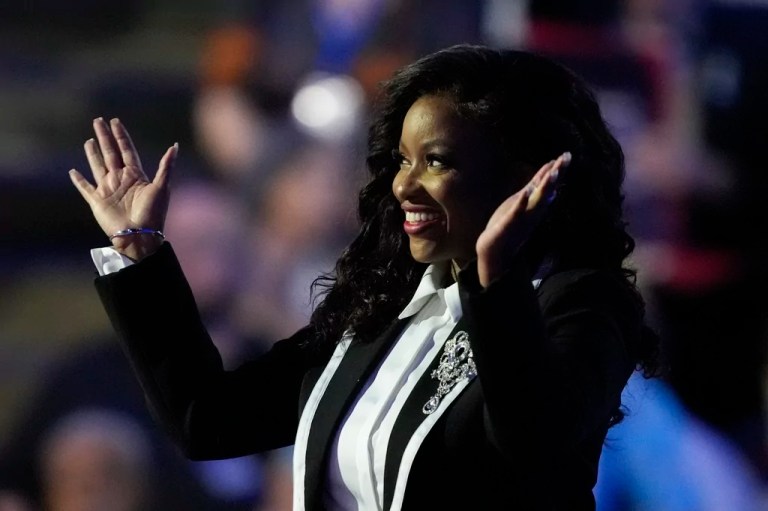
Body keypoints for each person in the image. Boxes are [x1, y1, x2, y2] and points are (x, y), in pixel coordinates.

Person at [68, 44, 659, 510]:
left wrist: (495, 277)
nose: (403, 184)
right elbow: (208, 419)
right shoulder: (383, 305)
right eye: (402, 159)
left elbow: (533, 443)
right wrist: (140, 251)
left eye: (436, 160)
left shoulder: (582, 301)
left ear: (524, 177)